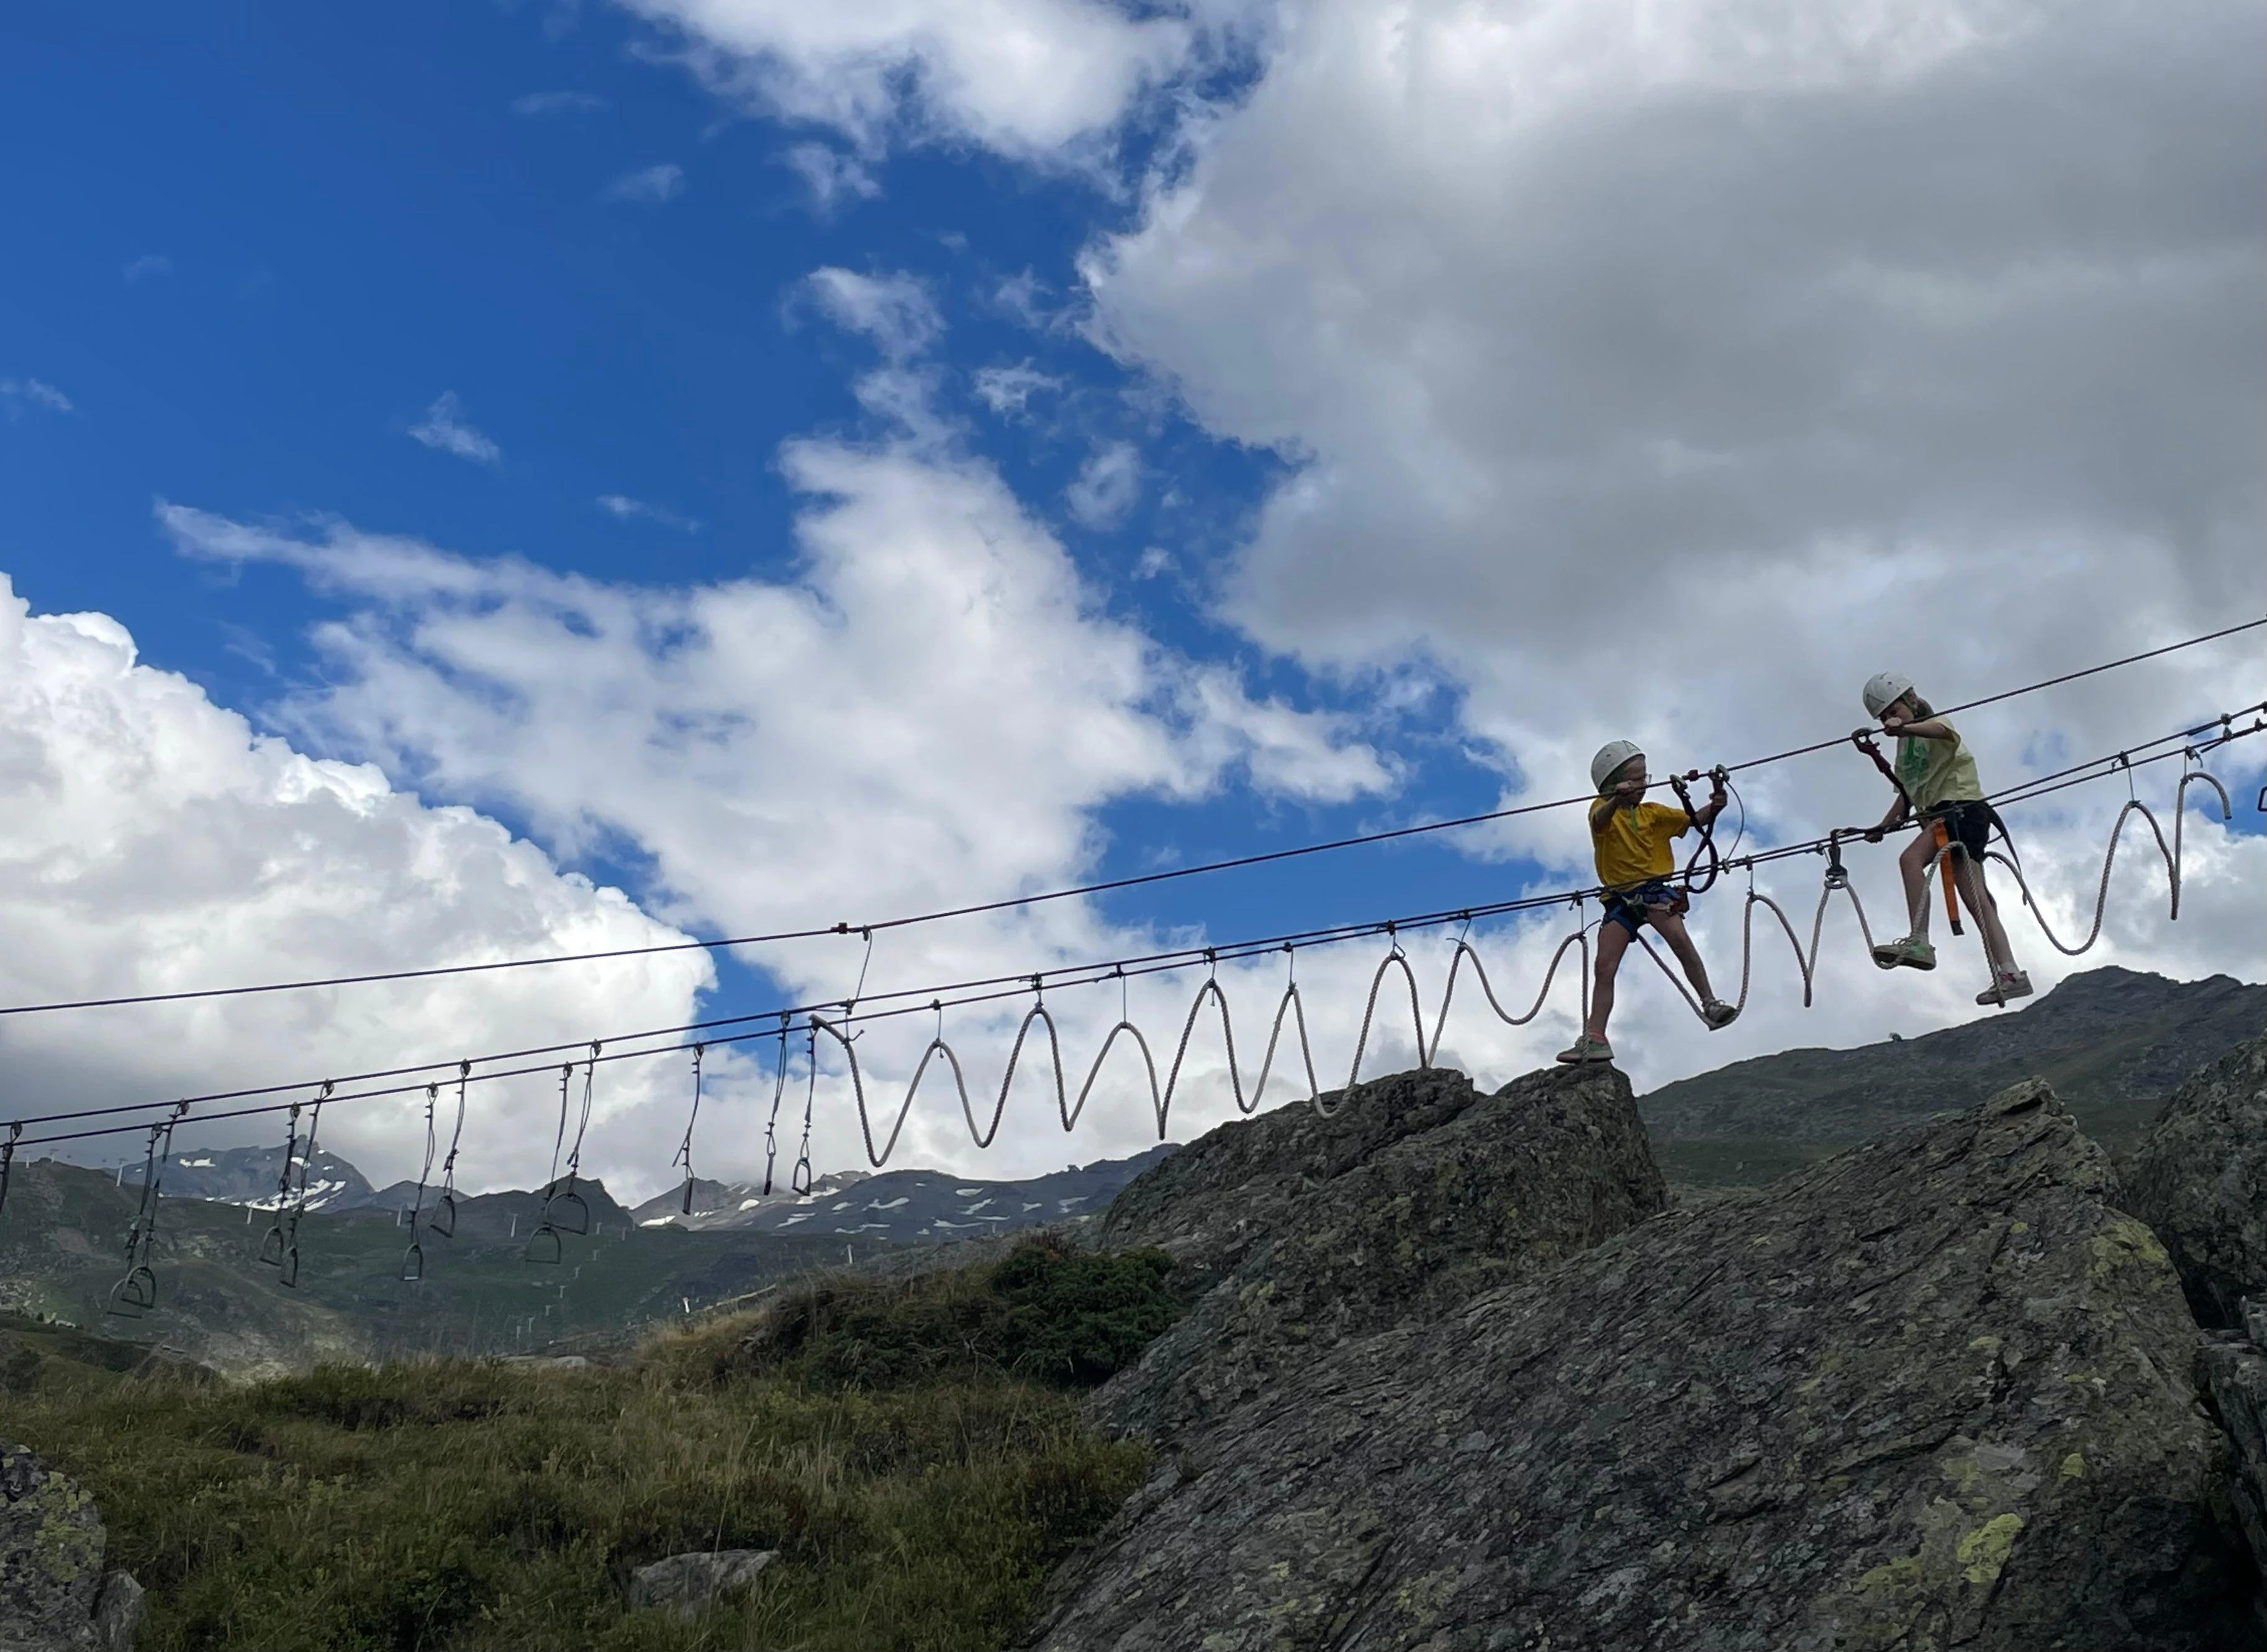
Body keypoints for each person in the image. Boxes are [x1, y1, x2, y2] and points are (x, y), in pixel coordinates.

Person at [1557, 741, 1739, 1065]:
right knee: (1604, 966)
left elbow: (1692, 821)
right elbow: (1599, 821)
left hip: (1655, 891)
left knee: (1680, 940)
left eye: (1644, 778)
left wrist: (1716, 805)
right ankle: (1595, 1036)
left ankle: (1710, 1002)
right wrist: (1616, 799)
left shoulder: (1652, 813)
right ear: (1613, 785)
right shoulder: (1602, 809)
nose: (1642, 785)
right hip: (1619, 898)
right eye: (1635, 779)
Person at [1858, 671, 2032, 1006]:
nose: (1890, 719)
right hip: (1949, 816)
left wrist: (1905, 728)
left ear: (1911, 700)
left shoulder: (1935, 723)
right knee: (1976, 900)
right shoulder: (1903, 750)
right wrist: (1881, 827)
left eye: (1894, 710)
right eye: (1884, 717)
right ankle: (2011, 974)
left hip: (1961, 809)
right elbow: (1907, 797)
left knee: (1910, 860)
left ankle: (1919, 941)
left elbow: (1943, 732)